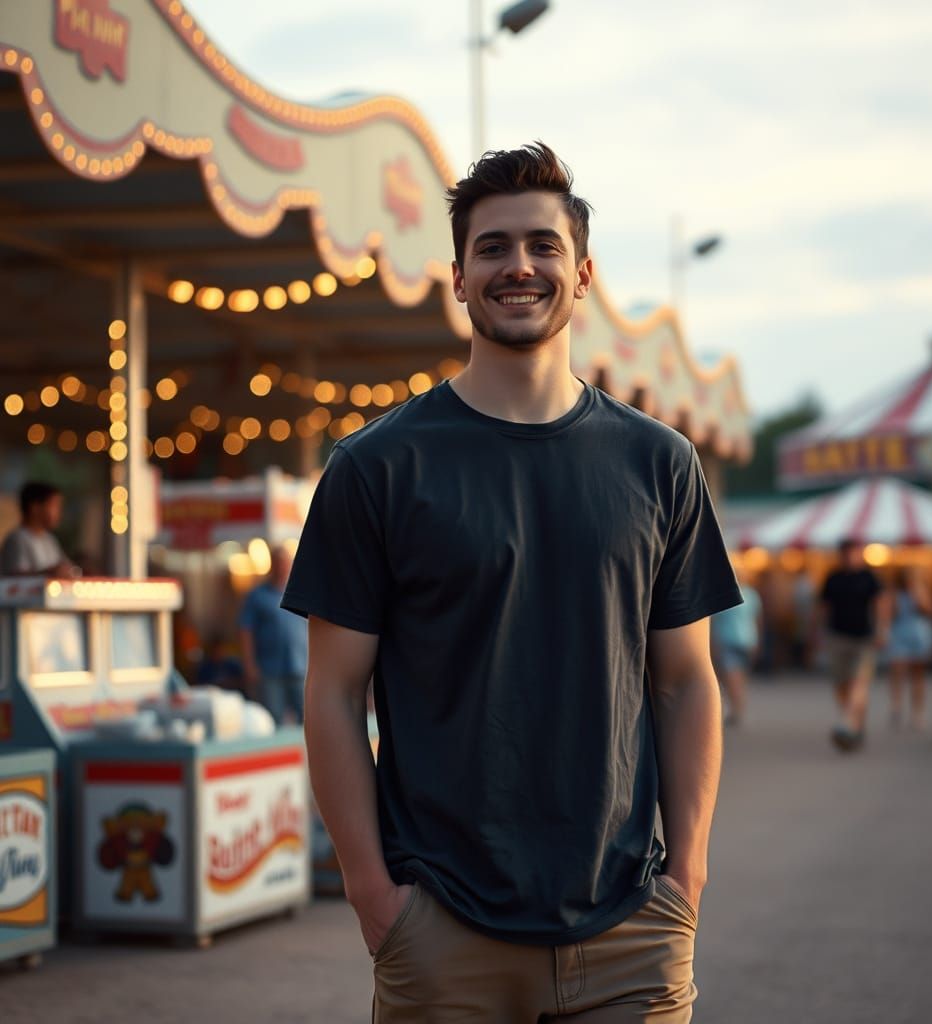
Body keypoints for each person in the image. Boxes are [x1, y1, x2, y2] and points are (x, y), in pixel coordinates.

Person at [283, 142, 741, 1022]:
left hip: (631, 932)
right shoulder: (377, 468)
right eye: (491, 248)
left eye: (542, 245)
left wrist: (686, 879)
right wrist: (373, 894)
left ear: (583, 275)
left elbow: (686, 681)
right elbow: (333, 693)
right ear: (458, 278)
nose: (518, 266)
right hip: (443, 932)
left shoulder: (660, 462)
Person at [815, 538, 889, 752]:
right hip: (837, 637)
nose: (849, 557)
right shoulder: (833, 578)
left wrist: (882, 630)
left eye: (853, 552)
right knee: (841, 685)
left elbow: (881, 605)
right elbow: (823, 607)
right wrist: (816, 634)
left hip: (863, 639)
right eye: (845, 553)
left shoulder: (869, 578)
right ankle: (854, 723)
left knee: (859, 682)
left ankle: (848, 723)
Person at [239, 545, 307, 724]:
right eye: (278, 563)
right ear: (272, 565)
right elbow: (246, 630)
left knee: (307, 715)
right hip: (270, 668)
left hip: (300, 665)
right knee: (274, 717)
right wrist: (249, 664)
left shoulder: (301, 592)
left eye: (285, 563)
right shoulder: (257, 596)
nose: (282, 567)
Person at [885, 567, 932, 731]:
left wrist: (918, 599)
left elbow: (930, 611)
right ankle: (896, 707)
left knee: (917, 676)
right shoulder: (895, 594)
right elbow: (889, 614)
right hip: (900, 634)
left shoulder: (922, 592)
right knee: (897, 672)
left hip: (919, 635)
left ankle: (917, 712)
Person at [710, 567, 762, 725]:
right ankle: (737, 708)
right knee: (739, 676)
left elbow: (714, 621)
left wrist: (714, 643)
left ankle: (737, 710)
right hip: (747, 639)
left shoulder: (722, 594)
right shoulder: (752, 594)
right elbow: (758, 619)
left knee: (733, 676)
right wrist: (758, 640)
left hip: (729, 639)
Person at [0, 481, 77, 577]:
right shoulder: (18, 539)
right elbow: (16, 577)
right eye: (54, 505)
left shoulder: (49, 540)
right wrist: (49, 573)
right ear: (35, 507)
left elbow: (67, 567)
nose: (59, 512)